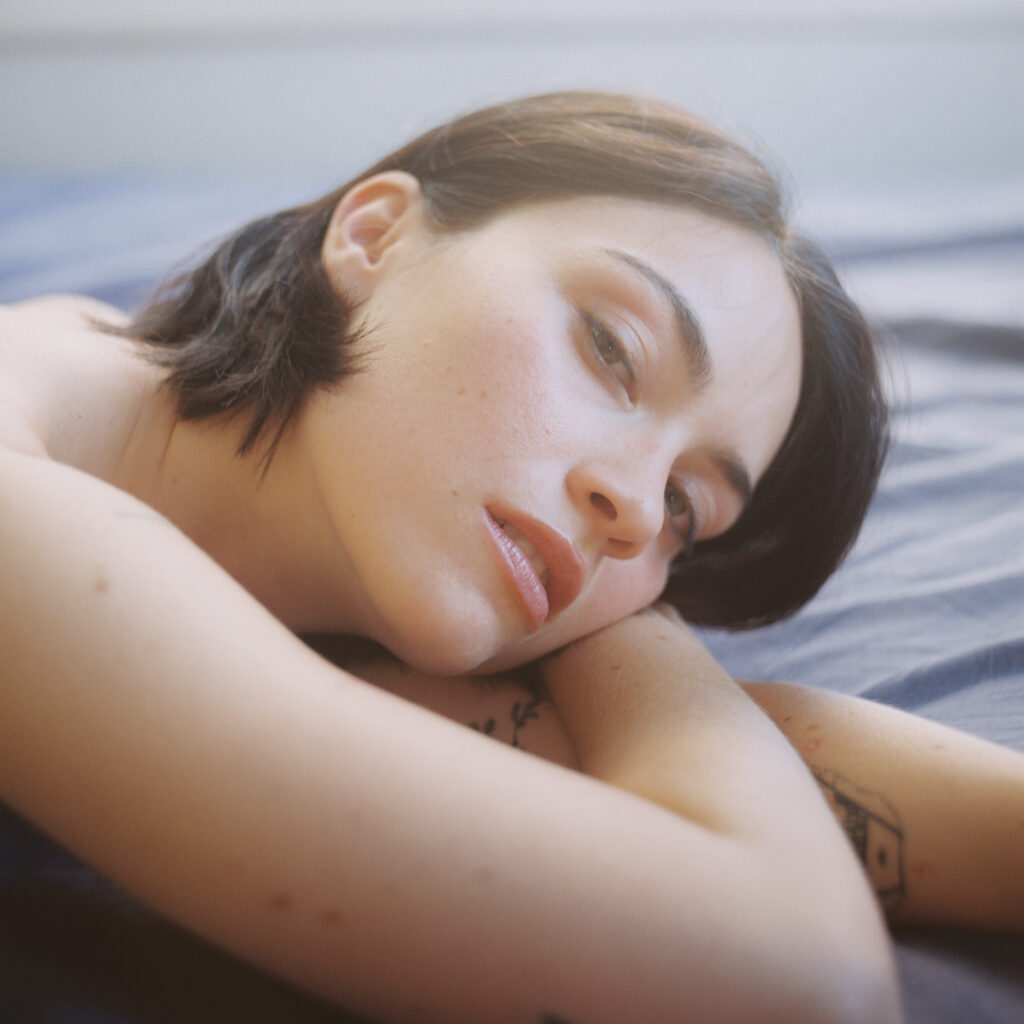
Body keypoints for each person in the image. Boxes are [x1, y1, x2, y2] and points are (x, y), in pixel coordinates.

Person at [1, 91, 1021, 1024]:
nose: (634, 510)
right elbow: (803, 975)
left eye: (685, 507)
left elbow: (745, 782)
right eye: (611, 349)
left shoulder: (304, 548)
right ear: (376, 235)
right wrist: (638, 627)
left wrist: (613, 603)